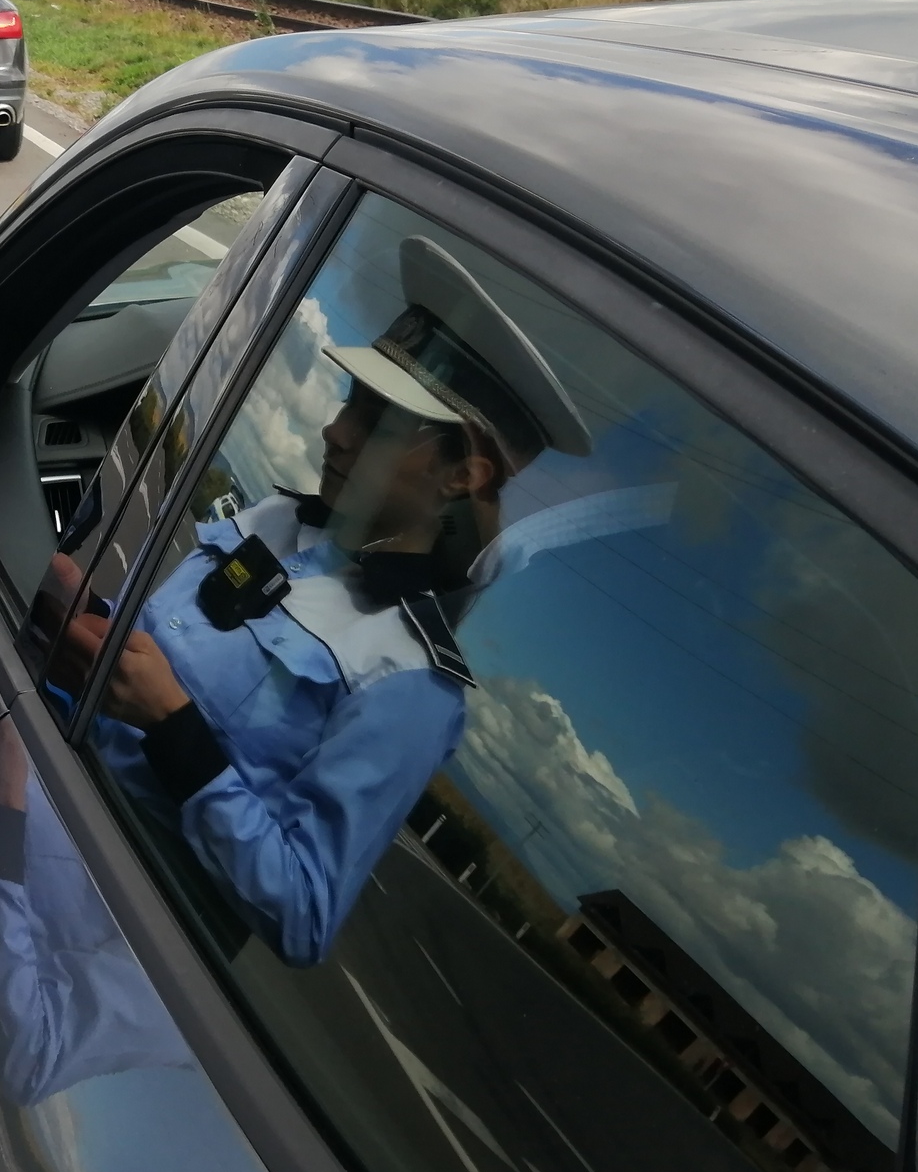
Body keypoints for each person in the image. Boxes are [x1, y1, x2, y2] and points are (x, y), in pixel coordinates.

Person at [70, 236, 593, 966]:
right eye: (352, 401)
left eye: (379, 423)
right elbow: (128, 660)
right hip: (47, 806)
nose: (336, 430)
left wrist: (174, 728)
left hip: (110, 933)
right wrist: (74, 618)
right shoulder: (273, 522)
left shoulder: (408, 679)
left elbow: (304, 914)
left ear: (460, 476)